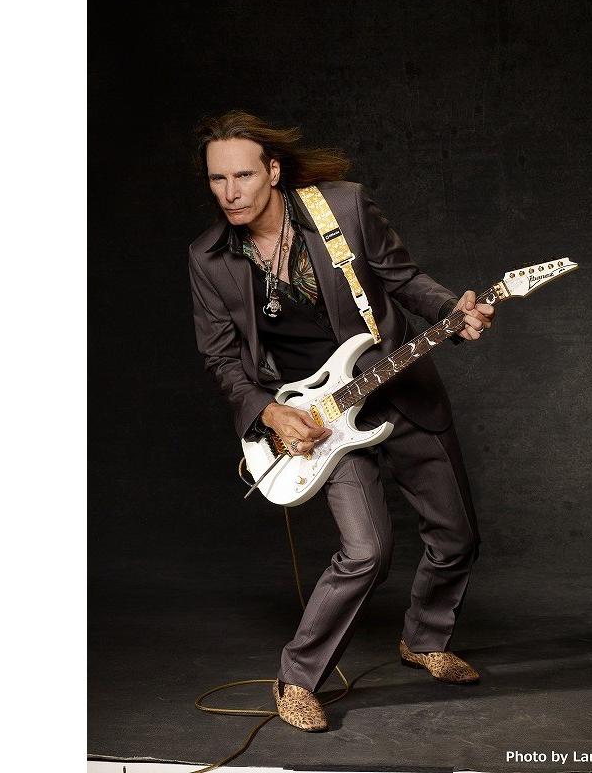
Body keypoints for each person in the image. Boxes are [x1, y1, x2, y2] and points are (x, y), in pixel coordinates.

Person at [188, 110, 495, 732]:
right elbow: (221, 359)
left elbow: (404, 280)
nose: (231, 192)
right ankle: (298, 679)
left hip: (399, 388)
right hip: (317, 420)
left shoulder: (342, 208)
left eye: (244, 175)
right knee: (366, 550)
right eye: (218, 179)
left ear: (273, 171)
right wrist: (270, 410)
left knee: (456, 536)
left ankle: (425, 638)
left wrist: (452, 310)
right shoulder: (209, 258)